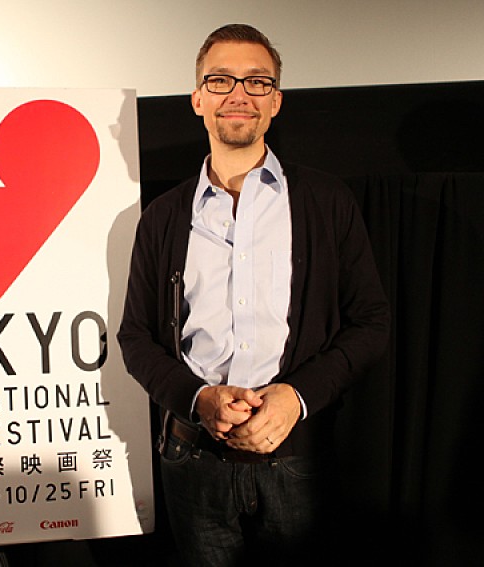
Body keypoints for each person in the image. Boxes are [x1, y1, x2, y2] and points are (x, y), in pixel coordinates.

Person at [117, 24, 390, 566]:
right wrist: (197, 399)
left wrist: (297, 396)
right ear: (197, 99)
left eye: (257, 81)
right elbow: (135, 337)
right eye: (220, 80)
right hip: (191, 458)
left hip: (299, 461)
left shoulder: (326, 202)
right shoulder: (162, 218)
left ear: (275, 102)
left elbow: (371, 322)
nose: (238, 94)